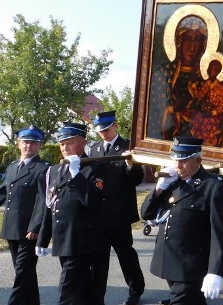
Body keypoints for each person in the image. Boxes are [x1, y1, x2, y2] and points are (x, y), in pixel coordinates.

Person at [141, 137, 223, 304]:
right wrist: (158, 189)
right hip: (169, 261)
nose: (178, 166)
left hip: (191, 266)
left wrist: (215, 271)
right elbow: (146, 214)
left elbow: (220, 234)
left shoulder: (213, 186)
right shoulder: (172, 181)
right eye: (175, 160)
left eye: (183, 161)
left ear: (198, 160)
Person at [0, 125, 50, 305]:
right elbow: (0, 193)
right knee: (24, 272)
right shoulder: (12, 167)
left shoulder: (43, 168)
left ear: (39, 146)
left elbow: (43, 200)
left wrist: (36, 226)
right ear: (18, 144)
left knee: (23, 272)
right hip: (12, 227)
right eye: (25, 143)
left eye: (33, 143)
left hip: (30, 231)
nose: (28, 146)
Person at [35, 122, 109, 305]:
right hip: (63, 240)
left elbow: (92, 201)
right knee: (86, 290)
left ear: (83, 142)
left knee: (67, 291)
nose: (65, 148)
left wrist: (77, 174)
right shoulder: (54, 170)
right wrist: (42, 239)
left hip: (83, 241)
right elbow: (50, 206)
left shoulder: (95, 167)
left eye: (70, 143)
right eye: (62, 144)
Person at [87, 111, 146, 305]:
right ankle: (97, 297)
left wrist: (130, 164)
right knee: (98, 259)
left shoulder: (128, 147)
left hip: (119, 214)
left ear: (115, 126)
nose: (103, 133)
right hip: (99, 215)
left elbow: (137, 180)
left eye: (106, 129)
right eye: (100, 131)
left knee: (125, 255)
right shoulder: (94, 150)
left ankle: (135, 289)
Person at [147, 15, 208, 141]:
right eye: (188, 39)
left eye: (197, 40)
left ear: (203, 45)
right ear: (179, 42)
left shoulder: (205, 77)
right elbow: (156, 109)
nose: (192, 48)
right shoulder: (163, 72)